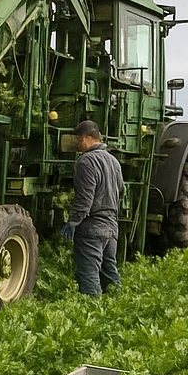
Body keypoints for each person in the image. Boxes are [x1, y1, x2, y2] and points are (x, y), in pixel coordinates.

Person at [61, 120, 123, 296]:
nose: (77, 144)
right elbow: (120, 191)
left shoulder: (86, 161)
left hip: (92, 230)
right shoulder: (114, 162)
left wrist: (73, 223)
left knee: (89, 278)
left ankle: (92, 315)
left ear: (87, 137)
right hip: (111, 229)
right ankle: (117, 310)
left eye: (78, 139)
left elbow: (85, 200)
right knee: (110, 274)